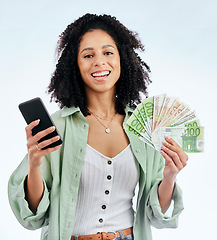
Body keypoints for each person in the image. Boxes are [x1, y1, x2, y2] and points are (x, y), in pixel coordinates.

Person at [8, 13, 188, 240]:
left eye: (108, 52)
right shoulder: (59, 125)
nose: (99, 62)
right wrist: (34, 164)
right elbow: (33, 215)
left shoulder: (143, 126)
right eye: (88, 55)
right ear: (75, 64)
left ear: (122, 58)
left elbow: (156, 215)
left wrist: (170, 176)